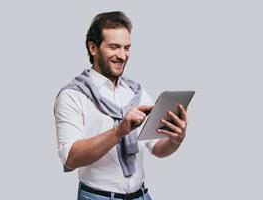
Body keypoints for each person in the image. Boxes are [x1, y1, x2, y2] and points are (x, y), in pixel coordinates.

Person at [54, 11, 188, 200]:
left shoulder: (137, 93)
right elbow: (71, 158)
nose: (122, 55)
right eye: (114, 47)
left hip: (141, 196)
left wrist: (175, 140)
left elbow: (156, 148)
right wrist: (119, 131)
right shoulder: (72, 96)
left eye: (126, 48)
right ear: (93, 48)